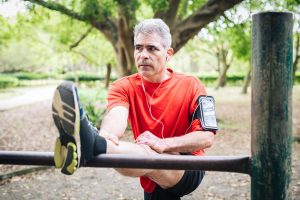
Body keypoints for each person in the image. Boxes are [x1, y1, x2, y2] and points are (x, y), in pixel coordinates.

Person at [52, 18, 217, 200]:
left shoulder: (192, 85)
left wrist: (165, 143)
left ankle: (90, 143)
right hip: (149, 176)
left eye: (152, 48)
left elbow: (207, 137)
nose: (143, 55)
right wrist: (107, 134)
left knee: (148, 152)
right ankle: (93, 142)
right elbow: (116, 117)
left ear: (168, 54)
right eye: (138, 48)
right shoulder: (123, 86)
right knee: (118, 148)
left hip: (188, 165)